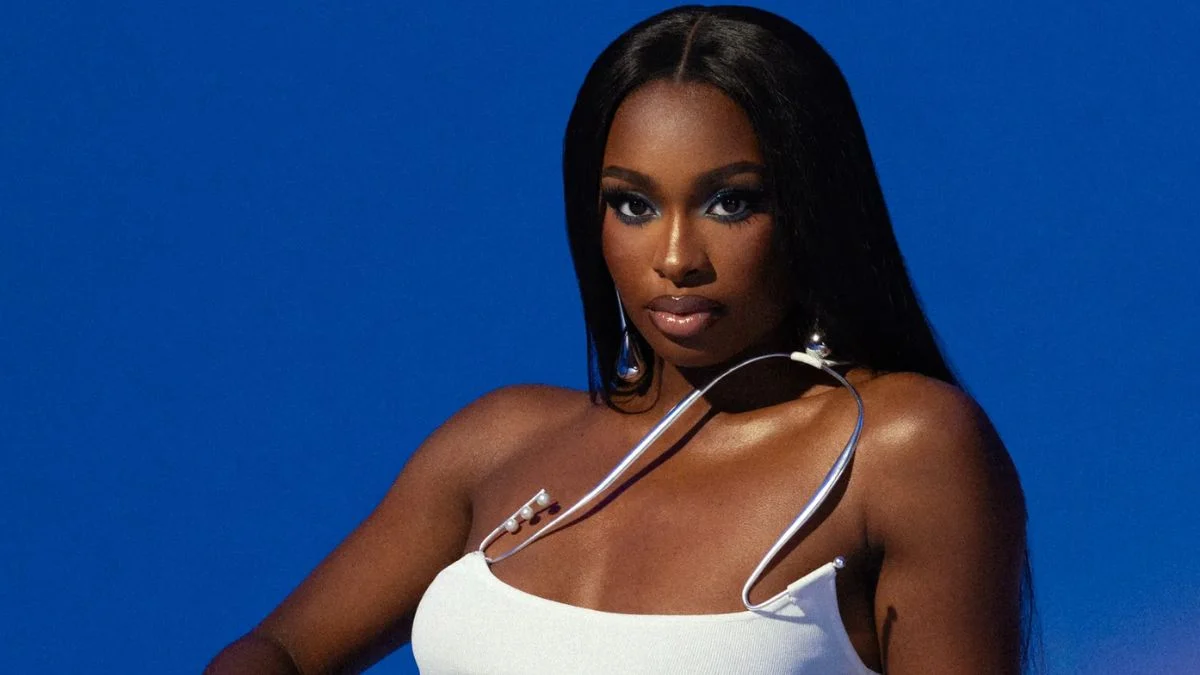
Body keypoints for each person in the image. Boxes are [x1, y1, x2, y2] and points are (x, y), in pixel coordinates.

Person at [206, 5, 1030, 674]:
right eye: (633, 205)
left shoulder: (899, 449)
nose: (676, 257)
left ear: (813, 209)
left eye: (732, 202)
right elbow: (277, 651)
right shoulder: (496, 443)